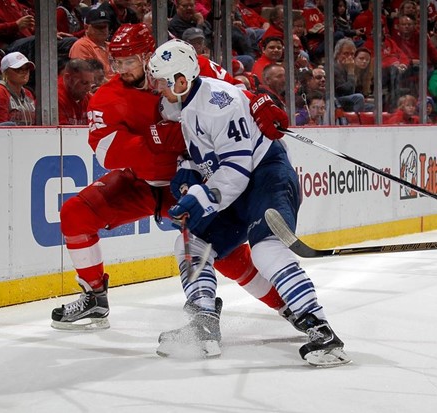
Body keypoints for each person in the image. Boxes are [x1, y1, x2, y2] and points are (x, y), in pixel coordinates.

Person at [50, 23, 290, 335]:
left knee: (225, 253)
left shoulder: (188, 64)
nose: (121, 69)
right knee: (75, 213)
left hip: (192, 179)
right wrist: (155, 141)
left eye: (129, 61)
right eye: (116, 62)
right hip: (143, 184)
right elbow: (107, 154)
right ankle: (94, 296)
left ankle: (286, 305)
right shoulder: (106, 99)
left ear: (148, 55)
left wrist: (259, 101)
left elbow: (233, 96)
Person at [148, 39, 350, 365]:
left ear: (180, 80)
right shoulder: (185, 105)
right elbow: (202, 156)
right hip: (235, 187)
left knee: (266, 249)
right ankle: (203, 323)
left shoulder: (218, 103)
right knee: (190, 242)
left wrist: (201, 196)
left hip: (265, 177)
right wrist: (187, 175)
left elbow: (236, 171)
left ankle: (321, 329)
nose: (158, 89)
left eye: (161, 82)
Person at [0, 51, 36, 125]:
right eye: (18, 69)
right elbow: (0, 127)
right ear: (5, 72)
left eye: (26, 69)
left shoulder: (28, 93)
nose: (24, 72)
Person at [68, 8, 114, 81]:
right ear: (86, 27)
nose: (103, 30)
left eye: (105, 26)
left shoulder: (112, 46)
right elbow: (86, 78)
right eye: (98, 26)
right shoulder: (81, 46)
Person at [58, 58, 93, 125]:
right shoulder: (55, 99)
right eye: (84, 82)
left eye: (90, 83)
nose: (88, 88)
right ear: (68, 78)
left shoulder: (87, 97)